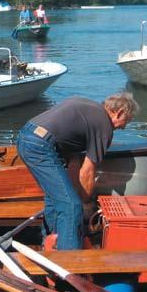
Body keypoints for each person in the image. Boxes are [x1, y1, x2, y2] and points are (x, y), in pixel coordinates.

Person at [16, 93, 138, 250]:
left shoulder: (88, 109)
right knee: (71, 207)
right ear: (119, 112)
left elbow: (74, 162)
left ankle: (51, 244)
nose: (124, 126)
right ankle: (69, 262)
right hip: (41, 146)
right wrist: (85, 203)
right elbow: (87, 170)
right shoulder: (104, 125)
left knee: (55, 199)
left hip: (26, 137)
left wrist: (74, 193)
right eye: (126, 121)